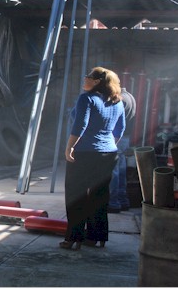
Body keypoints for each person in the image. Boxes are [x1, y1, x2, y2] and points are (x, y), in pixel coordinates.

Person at [61, 66, 126, 250]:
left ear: (97, 81)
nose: (84, 78)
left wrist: (69, 147)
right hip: (108, 153)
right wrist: (106, 144)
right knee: (99, 195)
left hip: (84, 153)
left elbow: (80, 125)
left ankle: (73, 238)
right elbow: (119, 130)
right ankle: (96, 237)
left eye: (88, 76)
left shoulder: (87, 99)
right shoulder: (117, 102)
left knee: (76, 195)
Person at [108, 86, 136, 213]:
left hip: (116, 137)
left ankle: (113, 202)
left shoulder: (120, 99)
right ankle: (122, 200)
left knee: (113, 170)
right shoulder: (130, 97)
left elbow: (113, 119)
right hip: (125, 138)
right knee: (121, 169)